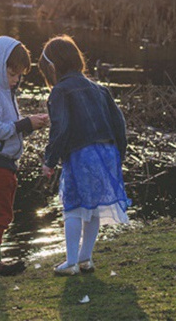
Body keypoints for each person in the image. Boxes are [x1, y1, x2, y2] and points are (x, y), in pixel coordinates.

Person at [39, 34, 130, 276]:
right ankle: (85, 258)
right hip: (107, 151)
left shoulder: (60, 91)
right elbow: (119, 122)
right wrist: (120, 153)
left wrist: (49, 160)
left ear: (52, 67)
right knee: (93, 208)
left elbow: (61, 127)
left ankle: (70, 262)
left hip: (82, 153)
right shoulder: (99, 89)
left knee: (73, 206)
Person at [0, 36, 49, 278]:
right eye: (13, 74)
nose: (17, 80)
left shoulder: (5, 91)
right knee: (1, 215)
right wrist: (24, 124)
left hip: (4, 165)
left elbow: (9, 127)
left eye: (19, 75)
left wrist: (29, 125)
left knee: (1, 213)